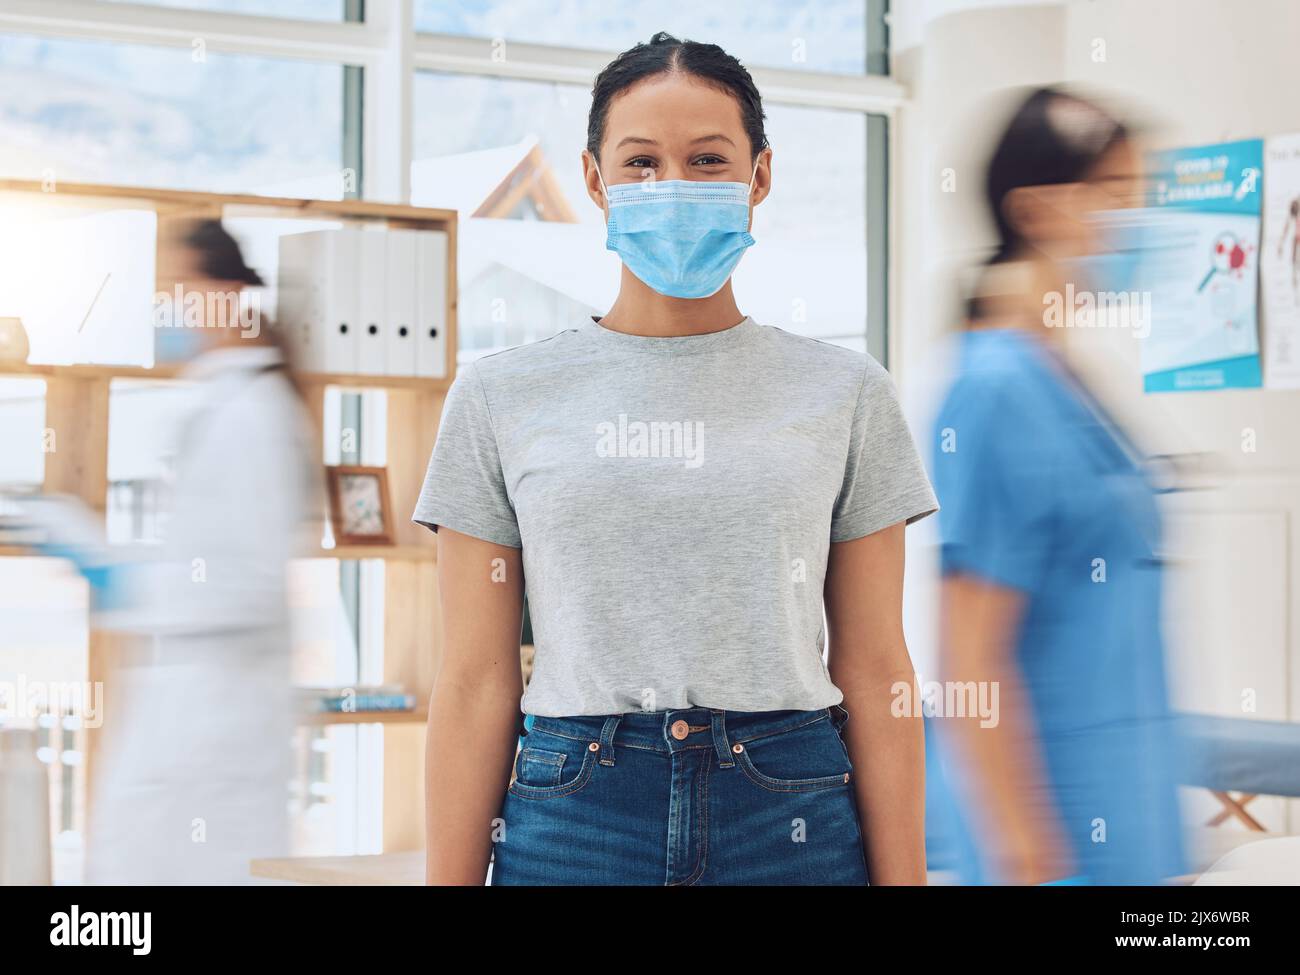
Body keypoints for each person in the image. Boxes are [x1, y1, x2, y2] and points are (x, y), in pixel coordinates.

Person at [415, 32, 938, 886]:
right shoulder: (500, 396)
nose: (674, 187)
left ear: (758, 176)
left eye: (707, 160)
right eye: (642, 163)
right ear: (595, 181)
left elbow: (878, 665)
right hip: (575, 809)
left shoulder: (845, 392)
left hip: (789, 804)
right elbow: (475, 680)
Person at [928, 87, 1186, 885]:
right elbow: (969, 654)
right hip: (1050, 840)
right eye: (1115, 197)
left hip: (1131, 821)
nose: (1135, 222)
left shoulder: (1068, 380)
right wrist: (1021, 850)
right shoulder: (996, 388)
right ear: (1036, 211)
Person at [85, 219, 318, 884]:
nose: (165, 308)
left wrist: (129, 583)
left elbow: (246, 581)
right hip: (193, 702)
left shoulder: (254, 413)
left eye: (172, 288)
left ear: (219, 291)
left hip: (220, 713)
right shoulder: (221, 400)